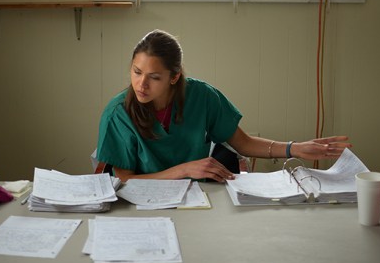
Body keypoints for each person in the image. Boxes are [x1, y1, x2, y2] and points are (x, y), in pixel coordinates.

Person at [96, 29, 352, 182]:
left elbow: (244, 143)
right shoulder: (118, 113)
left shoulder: (203, 97)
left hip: (197, 199)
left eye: (154, 77)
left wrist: (295, 148)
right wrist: (184, 169)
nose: (141, 84)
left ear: (174, 77)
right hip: (140, 207)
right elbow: (126, 180)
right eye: (136, 71)